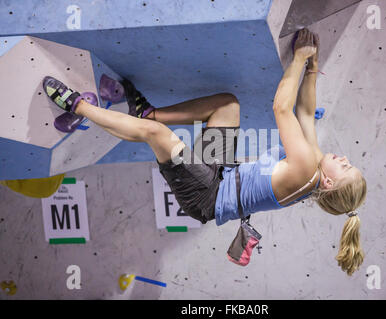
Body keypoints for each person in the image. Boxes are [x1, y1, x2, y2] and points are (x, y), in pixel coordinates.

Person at [42, 28, 366, 275]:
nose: (344, 159)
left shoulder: (306, 170)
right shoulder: (314, 167)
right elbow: (306, 113)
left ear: (328, 183)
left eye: (346, 168)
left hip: (206, 195)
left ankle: (76, 106)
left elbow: (282, 108)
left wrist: (296, 59)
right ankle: (147, 112)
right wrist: (311, 69)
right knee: (226, 105)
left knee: (158, 137)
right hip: (221, 172)